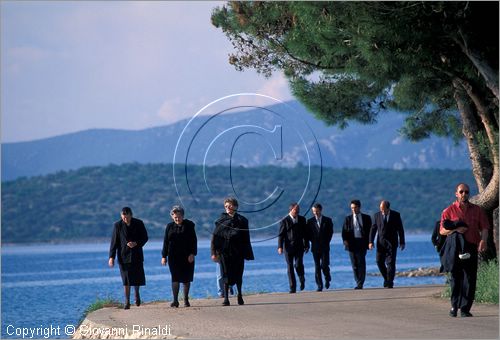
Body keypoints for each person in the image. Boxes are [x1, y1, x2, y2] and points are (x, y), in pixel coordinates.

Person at [440, 183, 489, 318]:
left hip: (471, 246)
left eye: (466, 192)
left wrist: (483, 240)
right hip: (455, 248)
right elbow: (442, 231)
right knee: (456, 277)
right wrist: (455, 229)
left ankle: (465, 308)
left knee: (470, 277)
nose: (464, 194)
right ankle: (454, 306)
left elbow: (484, 227)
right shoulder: (448, 211)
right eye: (461, 192)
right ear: (456, 193)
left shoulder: (477, 210)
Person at [211, 197, 254, 306]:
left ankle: (239, 295)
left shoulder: (242, 220)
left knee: (238, 274)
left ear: (235, 207)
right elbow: (215, 237)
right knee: (225, 274)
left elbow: (246, 238)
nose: (228, 208)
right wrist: (213, 253)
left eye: (230, 206)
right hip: (224, 252)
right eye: (226, 206)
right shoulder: (220, 220)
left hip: (238, 252)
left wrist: (247, 253)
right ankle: (226, 298)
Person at [109, 207, 149, 309]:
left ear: (131, 215)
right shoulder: (117, 225)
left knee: (137, 277)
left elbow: (145, 238)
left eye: (127, 217)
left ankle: (136, 294)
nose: (125, 219)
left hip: (137, 254)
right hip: (123, 256)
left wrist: (136, 243)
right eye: (123, 217)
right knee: (126, 279)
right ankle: (127, 301)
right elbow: (114, 242)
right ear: (121, 216)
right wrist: (111, 257)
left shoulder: (139, 223)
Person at [161, 205, 197, 308]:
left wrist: (192, 254)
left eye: (179, 216)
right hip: (173, 256)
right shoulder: (169, 226)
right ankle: (175, 300)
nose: (177, 219)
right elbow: (165, 242)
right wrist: (164, 256)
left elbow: (194, 241)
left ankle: (186, 299)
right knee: (175, 278)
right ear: (172, 217)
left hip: (187, 256)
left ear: (183, 216)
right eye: (175, 217)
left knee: (186, 279)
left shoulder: (189, 225)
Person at [369, 200, 405, 288]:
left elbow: (400, 229)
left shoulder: (396, 215)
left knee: (391, 263)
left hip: (392, 243)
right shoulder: (377, 215)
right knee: (379, 261)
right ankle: (387, 278)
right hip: (380, 243)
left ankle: (390, 282)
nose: (382, 211)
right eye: (380, 209)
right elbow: (373, 229)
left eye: (383, 209)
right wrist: (370, 241)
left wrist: (402, 242)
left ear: (388, 208)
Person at [278, 203, 309, 293]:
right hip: (288, 247)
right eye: (296, 210)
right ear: (291, 210)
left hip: (299, 246)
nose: (297, 212)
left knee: (298, 264)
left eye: (298, 210)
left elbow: (305, 234)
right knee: (290, 267)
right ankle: (292, 287)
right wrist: (279, 247)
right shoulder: (284, 221)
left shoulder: (302, 219)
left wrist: (307, 244)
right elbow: (281, 235)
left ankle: (301, 278)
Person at [342, 199, 372, 289]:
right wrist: (345, 240)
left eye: (355, 207)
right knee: (354, 264)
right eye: (352, 208)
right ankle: (357, 281)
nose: (353, 209)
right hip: (351, 243)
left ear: (359, 207)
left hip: (362, 243)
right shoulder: (348, 219)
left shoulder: (366, 218)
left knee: (361, 262)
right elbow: (344, 231)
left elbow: (371, 231)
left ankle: (360, 282)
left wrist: (370, 241)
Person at [306, 203, 333, 291]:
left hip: (325, 247)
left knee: (324, 265)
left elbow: (330, 233)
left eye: (317, 211)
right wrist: (311, 242)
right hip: (315, 247)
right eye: (314, 211)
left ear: (320, 210)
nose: (315, 213)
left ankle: (327, 277)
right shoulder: (310, 221)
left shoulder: (327, 220)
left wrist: (326, 241)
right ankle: (319, 285)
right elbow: (308, 234)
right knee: (317, 266)